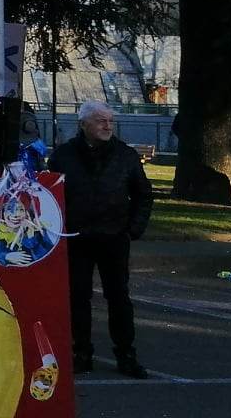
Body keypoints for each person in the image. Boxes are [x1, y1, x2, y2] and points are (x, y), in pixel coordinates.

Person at [48, 99, 153, 377]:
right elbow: (49, 194)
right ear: (83, 124)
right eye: (100, 120)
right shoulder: (64, 155)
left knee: (118, 296)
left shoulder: (125, 155)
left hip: (114, 236)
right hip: (76, 236)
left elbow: (143, 194)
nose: (107, 126)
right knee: (78, 297)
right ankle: (81, 352)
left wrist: (133, 228)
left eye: (109, 121)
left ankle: (126, 354)